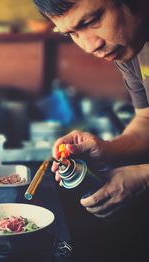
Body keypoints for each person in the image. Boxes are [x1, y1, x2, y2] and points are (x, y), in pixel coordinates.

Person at [32, 0, 149, 218]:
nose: (89, 46)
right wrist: (107, 150)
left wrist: (144, 176)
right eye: (72, 34)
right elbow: (146, 119)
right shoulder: (132, 46)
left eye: (91, 21)